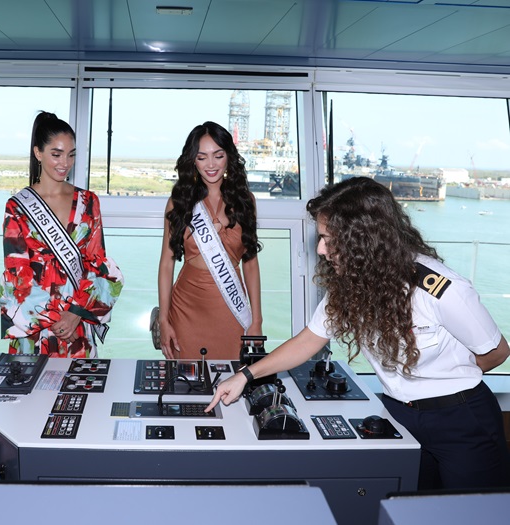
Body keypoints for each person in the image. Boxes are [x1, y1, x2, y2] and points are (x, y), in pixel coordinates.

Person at [207, 176, 510, 490]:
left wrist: (446, 382)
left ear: (363, 238)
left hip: (460, 421)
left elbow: (497, 351)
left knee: (471, 513)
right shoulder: (353, 284)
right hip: (398, 415)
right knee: (413, 509)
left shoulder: (439, 289)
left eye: (328, 238)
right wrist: (245, 375)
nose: (321, 249)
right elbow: (309, 340)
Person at [0, 111, 123, 358]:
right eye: (56, 154)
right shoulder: (17, 207)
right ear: (38, 153)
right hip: (35, 329)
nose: (64, 163)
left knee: (79, 393)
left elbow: (98, 265)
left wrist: (75, 313)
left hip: (77, 322)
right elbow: (17, 274)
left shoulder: (88, 202)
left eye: (71, 154)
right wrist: (55, 316)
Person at [157, 121, 263, 361]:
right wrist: (164, 319)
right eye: (202, 157)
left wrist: (256, 320)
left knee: (231, 380)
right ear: (192, 160)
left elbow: (251, 264)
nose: (211, 164)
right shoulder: (180, 201)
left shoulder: (246, 200)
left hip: (230, 307)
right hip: (186, 307)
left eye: (218, 155)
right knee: (186, 384)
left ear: (229, 157)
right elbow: (166, 264)